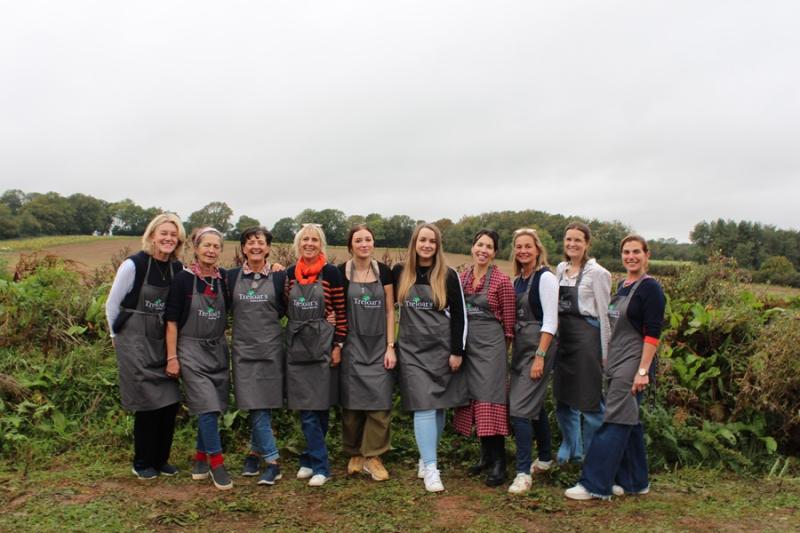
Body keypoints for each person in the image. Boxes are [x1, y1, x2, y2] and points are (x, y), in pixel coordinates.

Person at [565, 235, 665, 500]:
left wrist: (643, 371)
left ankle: (594, 485)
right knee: (628, 421)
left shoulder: (650, 289)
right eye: (626, 252)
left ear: (647, 255)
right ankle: (635, 481)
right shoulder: (623, 285)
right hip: (616, 361)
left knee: (614, 422)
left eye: (636, 252)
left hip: (633, 363)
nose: (631, 256)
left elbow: (653, 334)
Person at [106, 213, 186, 480]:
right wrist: (115, 338)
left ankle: (162, 460)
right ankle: (142, 462)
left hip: (164, 340)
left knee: (169, 401)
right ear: (152, 235)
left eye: (173, 235)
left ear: (179, 240)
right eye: (163, 233)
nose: (168, 239)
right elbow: (112, 304)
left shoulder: (178, 269)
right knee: (148, 404)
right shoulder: (134, 265)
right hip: (134, 340)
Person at [393, 223, 467, 493]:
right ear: (414, 243)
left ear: (438, 246)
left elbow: (460, 315)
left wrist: (457, 350)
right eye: (422, 240)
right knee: (423, 405)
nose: (426, 245)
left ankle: (426, 460)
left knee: (438, 406)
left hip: (441, 348)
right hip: (411, 350)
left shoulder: (448, 275)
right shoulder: (400, 271)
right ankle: (432, 468)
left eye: (432, 241)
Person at [165, 227, 233, 490]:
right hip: (190, 350)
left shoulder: (224, 279)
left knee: (215, 405)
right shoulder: (183, 280)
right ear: (196, 248)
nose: (211, 250)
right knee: (207, 406)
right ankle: (217, 462)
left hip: (217, 348)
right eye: (207, 245)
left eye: (216, 246)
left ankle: (199, 458)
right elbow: (171, 322)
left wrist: (273, 267)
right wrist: (172, 357)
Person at [284, 223, 347, 487]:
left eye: (314, 239)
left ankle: (311, 460)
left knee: (320, 409)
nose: (309, 243)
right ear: (298, 244)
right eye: (305, 239)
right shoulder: (288, 274)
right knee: (307, 410)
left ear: (321, 244)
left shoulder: (331, 272)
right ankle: (319, 464)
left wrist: (338, 344)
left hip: (323, 346)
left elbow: (341, 312)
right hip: (298, 348)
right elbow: (286, 309)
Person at [452, 229, 515, 488]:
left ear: (495, 252)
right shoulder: (462, 278)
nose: (483, 250)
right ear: (472, 247)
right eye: (479, 245)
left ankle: (500, 462)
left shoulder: (502, 281)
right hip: (469, 348)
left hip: (491, 350)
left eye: (489, 247)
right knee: (476, 401)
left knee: (491, 402)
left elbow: (509, 327)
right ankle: (485, 456)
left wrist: (500, 354)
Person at [226, 227, 287, 486]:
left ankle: (260, 456)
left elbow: (289, 307)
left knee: (262, 404)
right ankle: (269, 458)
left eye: (260, 242)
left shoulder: (279, 277)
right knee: (253, 403)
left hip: (270, 348)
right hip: (243, 350)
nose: (255, 246)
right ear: (243, 248)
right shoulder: (229, 277)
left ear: (268, 248)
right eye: (250, 242)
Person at [338, 224, 396, 482]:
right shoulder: (341, 272)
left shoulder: (384, 272)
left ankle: (373, 456)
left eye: (368, 239)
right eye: (358, 240)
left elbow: (389, 311)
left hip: (379, 346)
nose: (364, 244)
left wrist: (390, 346)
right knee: (351, 403)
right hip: (352, 345)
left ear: (373, 243)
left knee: (380, 402)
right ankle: (355, 454)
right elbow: (334, 308)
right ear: (351, 245)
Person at [506, 228, 559, 494]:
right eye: (519, 246)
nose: (523, 251)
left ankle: (523, 472)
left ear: (537, 249)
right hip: (521, 348)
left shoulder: (545, 278)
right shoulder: (518, 281)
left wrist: (540, 356)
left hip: (540, 347)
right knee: (533, 407)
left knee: (518, 410)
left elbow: (551, 320)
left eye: (528, 246)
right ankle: (547, 457)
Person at [553, 222, 611, 464]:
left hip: (587, 338)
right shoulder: (559, 269)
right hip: (563, 339)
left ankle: (595, 456)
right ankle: (571, 450)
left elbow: (606, 316)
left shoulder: (598, 273)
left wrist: (605, 354)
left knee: (589, 400)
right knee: (563, 399)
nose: (572, 244)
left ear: (587, 243)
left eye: (578, 240)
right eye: (568, 239)